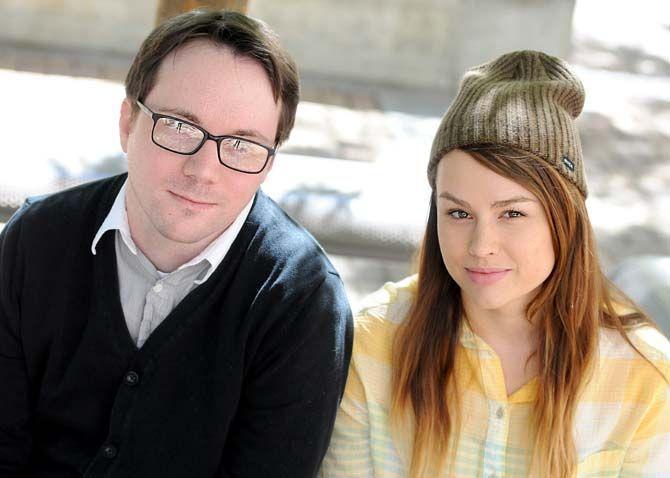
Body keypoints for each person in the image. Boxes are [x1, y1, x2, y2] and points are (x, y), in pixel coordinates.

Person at [0, 10, 352, 477]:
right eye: (180, 126)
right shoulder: (35, 241)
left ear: (269, 163)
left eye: (242, 144)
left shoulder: (301, 302)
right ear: (128, 123)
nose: (204, 170)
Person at [320, 50, 670, 477]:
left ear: (564, 219)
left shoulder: (644, 377)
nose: (481, 246)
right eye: (459, 213)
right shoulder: (373, 342)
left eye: (513, 213)